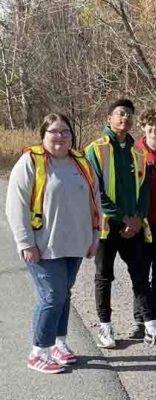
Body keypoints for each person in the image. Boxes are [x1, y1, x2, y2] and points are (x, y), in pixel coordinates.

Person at [6, 113, 100, 373]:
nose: (60, 136)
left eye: (65, 131)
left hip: (75, 244)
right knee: (52, 295)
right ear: (43, 135)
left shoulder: (81, 162)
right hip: (43, 246)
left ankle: (59, 342)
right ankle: (39, 351)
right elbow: (16, 206)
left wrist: (94, 236)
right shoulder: (31, 162)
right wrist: (26, 243)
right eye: (54, 131)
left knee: (63, 295)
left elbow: (95, 201)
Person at [85, 98, 156, 349]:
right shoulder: (96, 149)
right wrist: (122, 217)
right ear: (109, 118)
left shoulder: (138, 152)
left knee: (140, 276)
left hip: (134, 226)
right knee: (104, 276)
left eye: (129, 115)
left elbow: (145, 187)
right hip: (107, 226)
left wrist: (136, 218)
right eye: (120, 114)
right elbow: (94, 190)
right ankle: (105, 327)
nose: (125, 118)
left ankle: (152, 328)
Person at [127, 108, 156, 339]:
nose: (153, 128)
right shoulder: (135, 151)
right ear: (143, 127)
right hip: (142, 222)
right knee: (141, 272)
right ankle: (140, 319)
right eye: (149, 125)